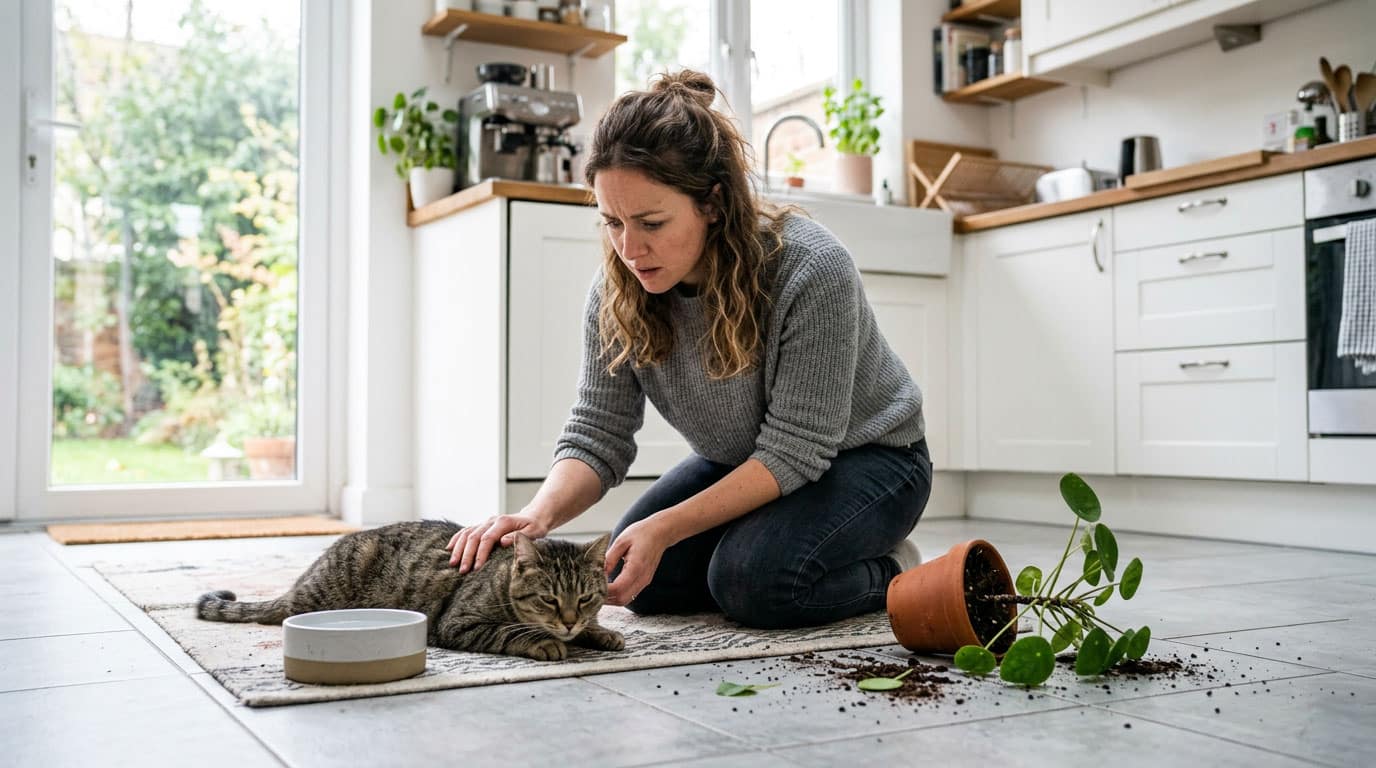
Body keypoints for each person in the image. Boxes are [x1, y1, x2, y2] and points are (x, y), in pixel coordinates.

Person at [446, 70, 932, 629]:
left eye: (651, 222)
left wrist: (670, 526)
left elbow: (798, 448)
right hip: (746, 459)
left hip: (874, 460)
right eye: (612, 223)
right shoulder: (616, 292)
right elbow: (598, 433)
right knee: (631, 578)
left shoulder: (810, 267)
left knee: (752, 583)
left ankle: (894, 568)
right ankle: (776, 544)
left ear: (714, 204)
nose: (629, 248)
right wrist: (535, 517)